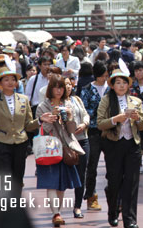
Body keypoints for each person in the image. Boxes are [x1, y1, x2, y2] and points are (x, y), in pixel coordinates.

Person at [0, 67, 47, 197]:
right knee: (3, 179)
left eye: (13, 80)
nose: (10, 82)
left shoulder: (24, 99)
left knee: (18, 178)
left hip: (20, 143)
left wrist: (40, 120)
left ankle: (15, 206)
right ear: (0, 83)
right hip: (1, 143)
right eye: (6, 80)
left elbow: (28, 125)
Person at [97, 69, 143, 228]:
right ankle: (112, 212)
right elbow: (100, 123)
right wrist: (116, 119)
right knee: (114, 181)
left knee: (131, 183)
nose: (122, 85)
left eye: (124, 82)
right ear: (112, 85)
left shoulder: (135, 101)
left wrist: (138, 119)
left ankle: (130, 219)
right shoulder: (106, 100)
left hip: (132, 145)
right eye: (118, 82)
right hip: (113, 144)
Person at [36, 75, 84, 227]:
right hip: (49, 148)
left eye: (61, 87)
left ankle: (58, 212)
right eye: (56, 87)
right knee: (51, 183)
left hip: (65, 148)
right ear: (50, 89)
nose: (59, 90)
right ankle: (55, 213)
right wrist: (52, 117)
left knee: (62, 184)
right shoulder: (42, 106)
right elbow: (44, 129)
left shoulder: (68, 104)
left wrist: (69, 116)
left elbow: (71, 130)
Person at [80, 60, 109, 211]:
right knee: (92, 166)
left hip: (110, 131)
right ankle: (91, 197)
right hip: (93, 132)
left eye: (106, 75)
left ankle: (113, 195)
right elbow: (84, 110)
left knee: (113, 165)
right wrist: (100, 114)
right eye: (103, 75)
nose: (105, 78)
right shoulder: (87, 89)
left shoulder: (111, 89)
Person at [66, 76, 90, 219]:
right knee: (63, 174)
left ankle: (77, 206)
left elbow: (85, 114)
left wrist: (84, 124)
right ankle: (57, 209)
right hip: (67, 142)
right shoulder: (57, 103)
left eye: (69, 84)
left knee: (82, 174)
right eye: (64, 85)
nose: (68, 87)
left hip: (83, 139)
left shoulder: (77, 99)